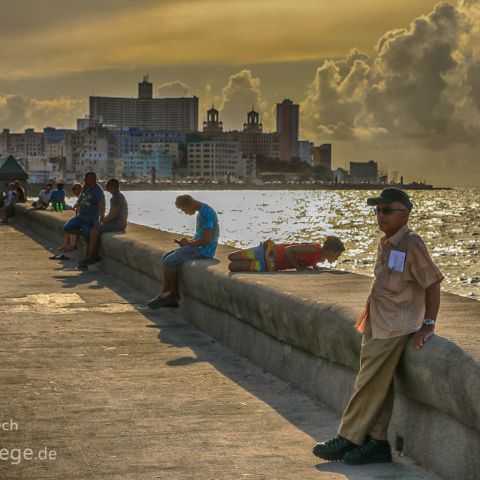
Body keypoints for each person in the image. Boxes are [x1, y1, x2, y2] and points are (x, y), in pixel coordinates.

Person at [312, 188, 443, 465]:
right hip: (377, 321)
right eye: (377, 211)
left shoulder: (412, 244)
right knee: (380, 385)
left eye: (386, 210)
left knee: (367, 381)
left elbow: (432, 284)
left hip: (396, 326)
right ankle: (378, 442)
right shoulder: (385, 244)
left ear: (405, 214)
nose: (379, 216)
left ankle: (348, 436)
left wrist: (428, 325)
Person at [147, 194, 219, 309]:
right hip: (198, 247)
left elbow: (206, 240)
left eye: (184, 210)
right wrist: (186, 243)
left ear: (189, 205)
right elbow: (201, 237)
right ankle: (167, 290)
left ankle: (174, 294)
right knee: (166, 256)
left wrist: (189, 244)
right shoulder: (202, 211)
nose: (185, 213)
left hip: (205, 250)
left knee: (171, 261)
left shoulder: (206, 214)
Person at [79, 178, 128, 268]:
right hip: (117, 223)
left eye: (107, 185)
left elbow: (112, 216)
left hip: (118, 225)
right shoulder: (117, 196)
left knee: (94, 231)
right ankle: (92, 256)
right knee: (94, 229)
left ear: (112, 187)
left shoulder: (117, 198)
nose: (106, 186)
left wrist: (101, 221)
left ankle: (93, 256)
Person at [228, 236, 345, 272]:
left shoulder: (318, 259)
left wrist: (315, 268)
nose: (336, 259)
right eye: (337, 255)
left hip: (268, 265)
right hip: (266, 251)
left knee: (232, 267)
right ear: (330, 251)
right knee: (231, 257)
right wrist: (299, 268)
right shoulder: (314, 248)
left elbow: (311, 262)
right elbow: (288, 250)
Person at [63, 172, 105, 269]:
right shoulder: (86, 187)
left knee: (88, 239)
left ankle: (86, 261)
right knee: (67, 228)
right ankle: (82, 232)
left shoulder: (98, 191)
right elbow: (80, 198)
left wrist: (101, 220)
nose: (84, 180)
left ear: (92, 179)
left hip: (90, 218)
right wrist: (77, 204)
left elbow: (102, 206)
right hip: (81, 216)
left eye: (86, 178)